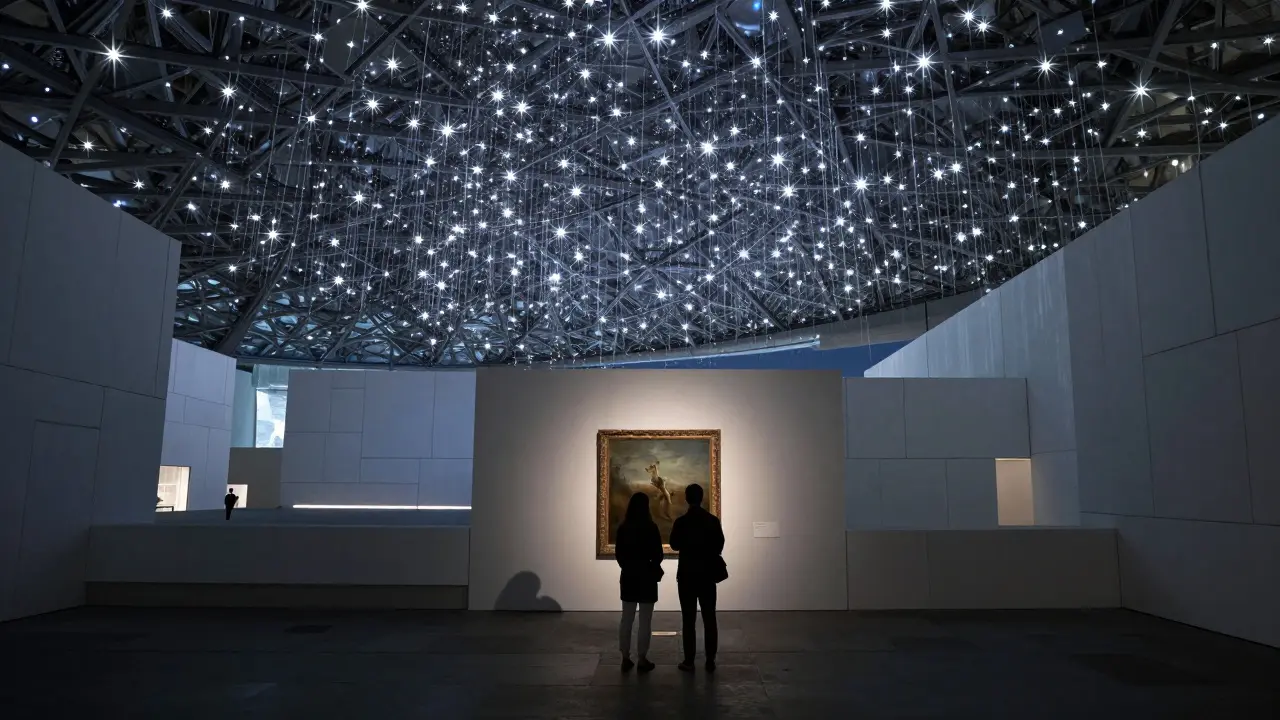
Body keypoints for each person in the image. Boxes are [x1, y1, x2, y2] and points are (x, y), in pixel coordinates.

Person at [668, 483, 724, 673]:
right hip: (707, 575)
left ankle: (689, 661)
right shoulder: (712, 521)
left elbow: (674, 545)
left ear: (686, 498)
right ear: (702, 498)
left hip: (687, 576)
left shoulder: (681, 522)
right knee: (709, 618)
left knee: (688, 619)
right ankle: (710, 660)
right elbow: (719, 546)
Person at [615, 492, 663, 672]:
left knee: (626, 619)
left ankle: (625, 657)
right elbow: (658, 555)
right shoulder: (651, 527)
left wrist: (628, 567)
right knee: (645, 620)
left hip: (628, 577)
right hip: (647, 578)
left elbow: (619, 555)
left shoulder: (623, 528)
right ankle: (642, 658)